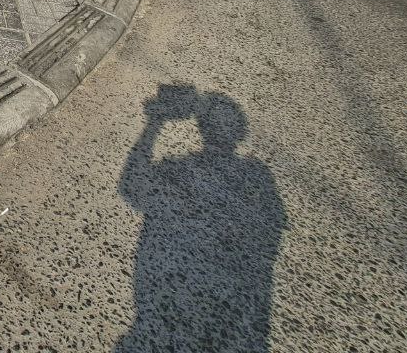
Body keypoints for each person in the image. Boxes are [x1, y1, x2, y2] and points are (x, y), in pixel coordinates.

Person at [117, 86, 286, 353]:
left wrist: (155, 121)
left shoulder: (188, 172)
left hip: (186, 315)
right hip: (225, 320)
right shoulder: (255, 176)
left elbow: (132, 187)